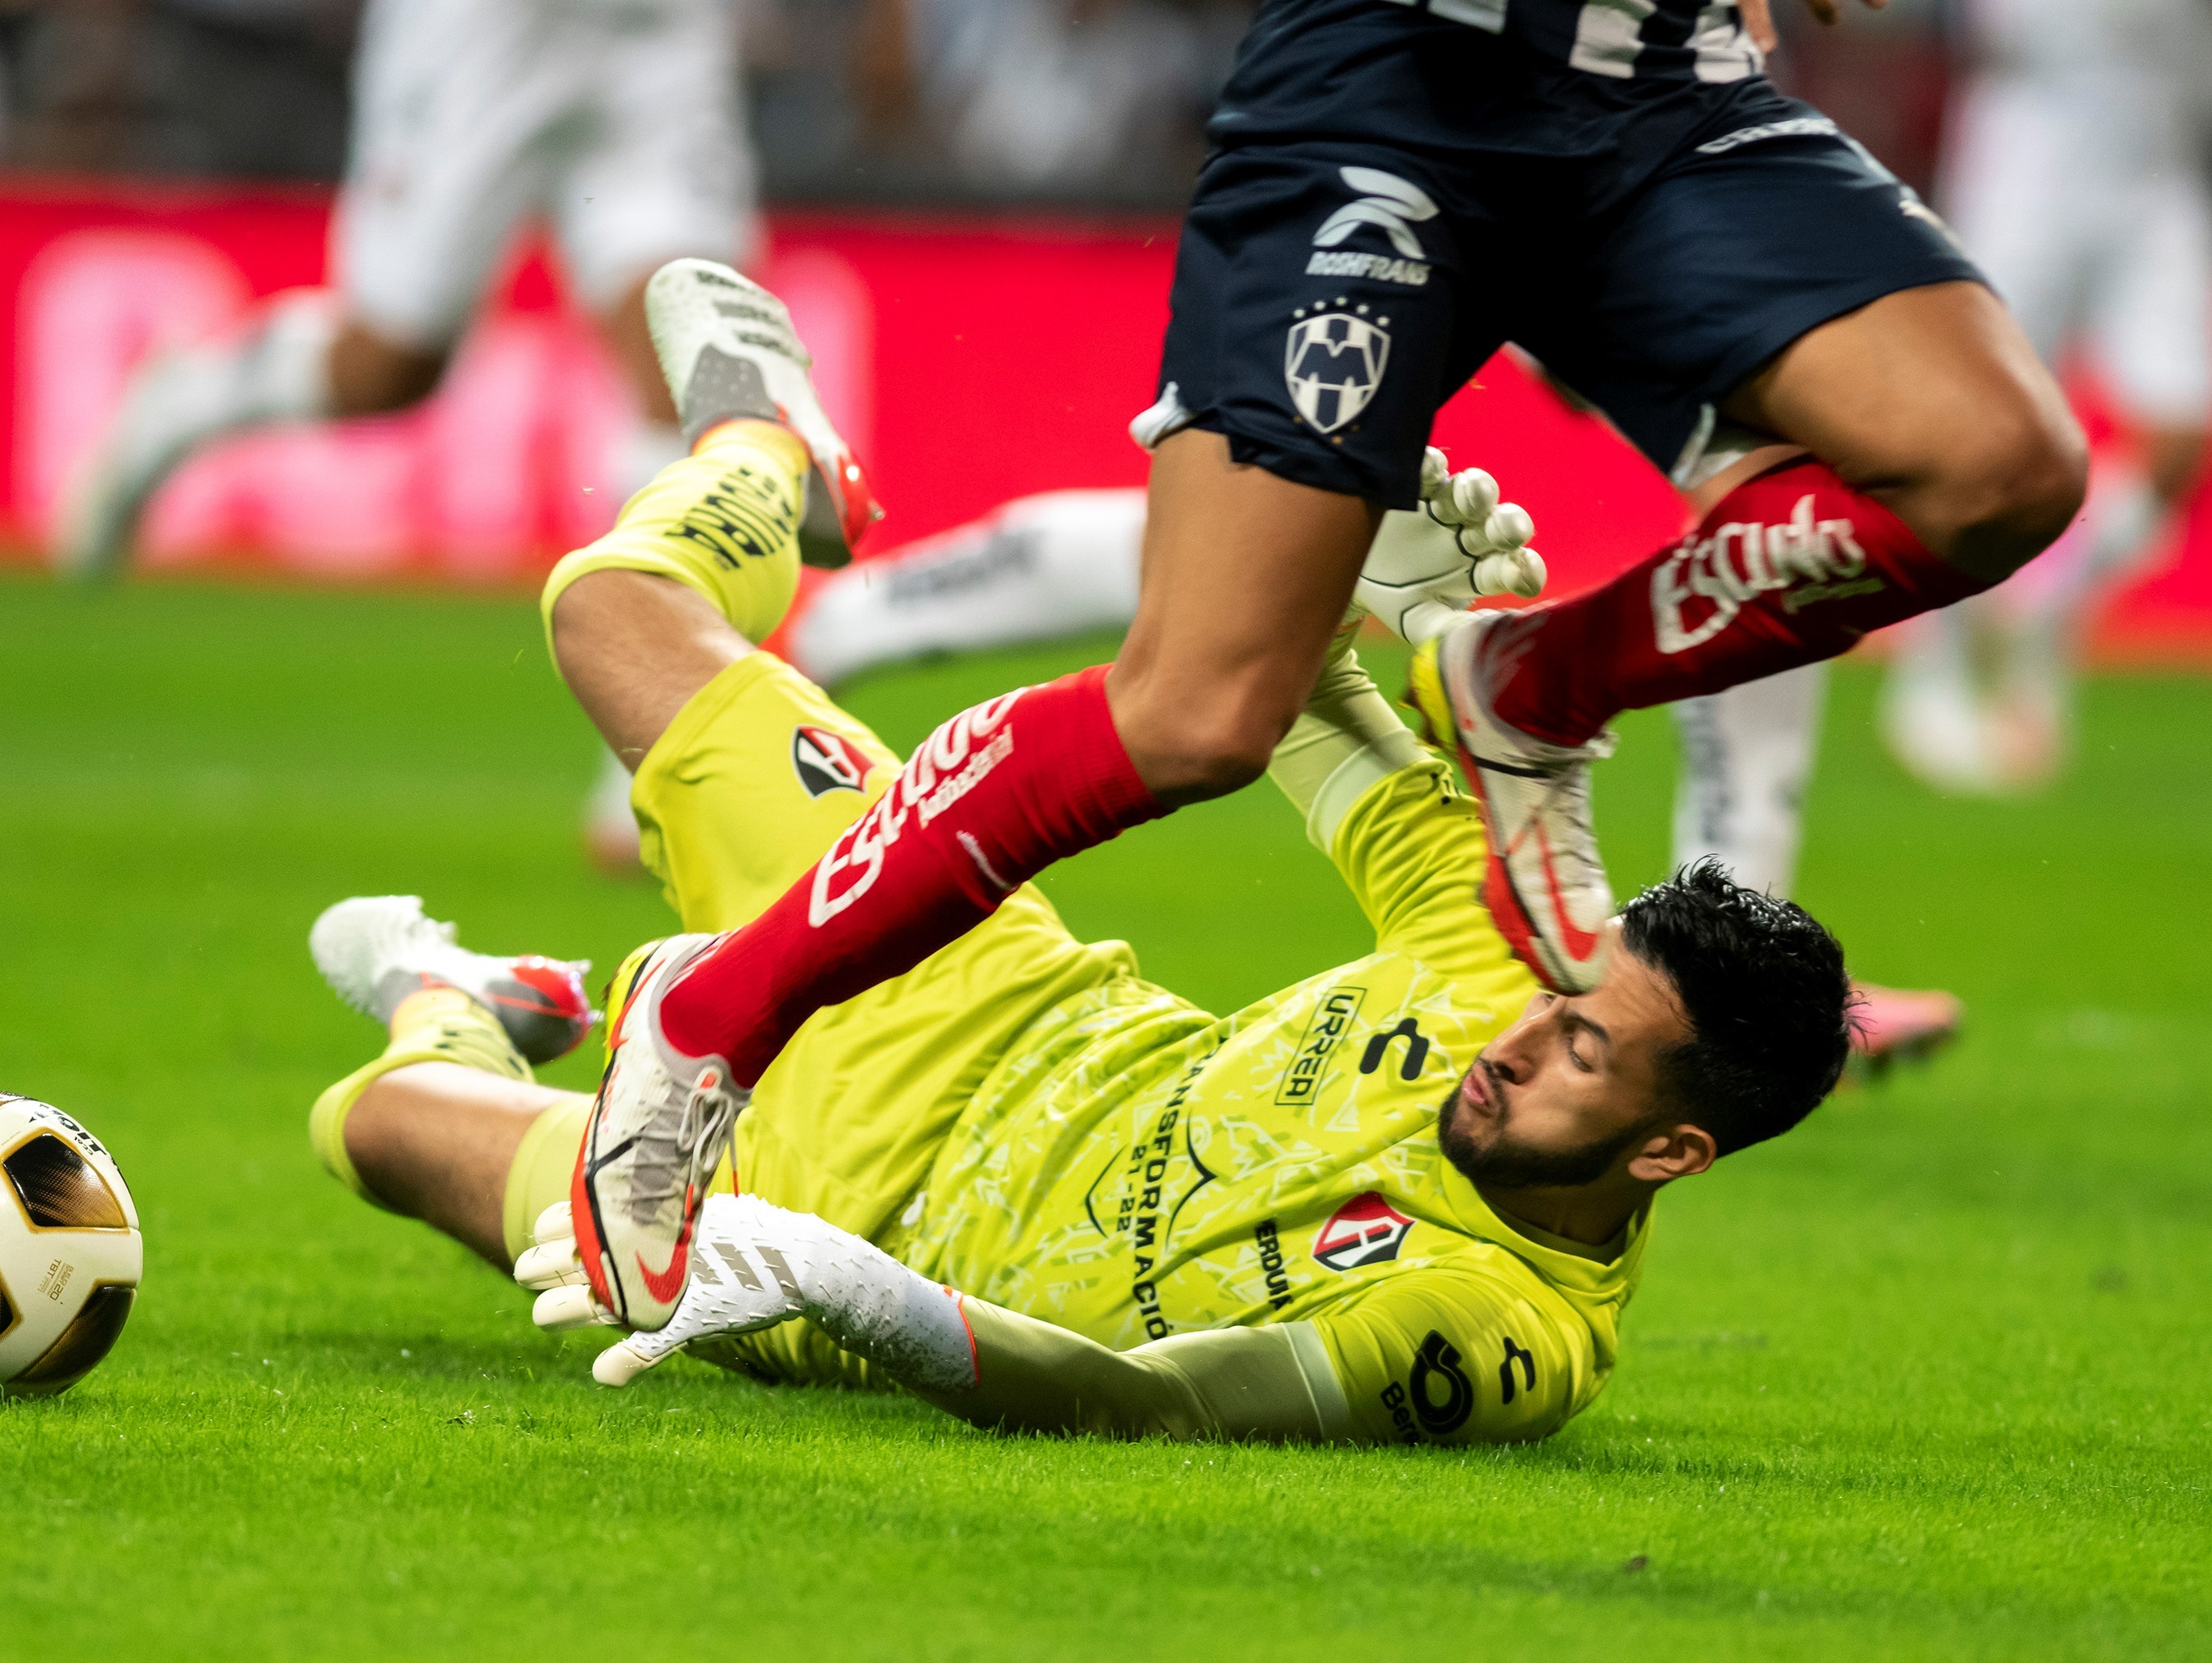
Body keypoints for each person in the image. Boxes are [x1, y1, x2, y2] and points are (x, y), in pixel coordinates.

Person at [565, 0, 2086, 1337]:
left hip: (1666, 96)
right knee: (1192, 705)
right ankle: (705, 1004)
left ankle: (1529, 681)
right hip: (1393, 86)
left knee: (1995, 464)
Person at [299, 423, 1852, 1445]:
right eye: (1560, 999)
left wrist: (826, 1278)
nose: (1523, 1035)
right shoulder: (1504, 953)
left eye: (1585, 1048)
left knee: (369, 1124)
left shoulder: (1501, 1334)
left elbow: (1146, 1402)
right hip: (965, 992)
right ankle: (767, 440)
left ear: (1671, 1149)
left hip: (857, 1236)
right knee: (611, 606)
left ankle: (458, 999)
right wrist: (1350, 580)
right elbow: (1282, 708)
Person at [581, 466, 1956, 1071]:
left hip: (1570, 108)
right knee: (1235, 601)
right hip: (1440, 122)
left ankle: (1727, 941)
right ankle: (834, 561)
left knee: (1786, 499)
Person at [50, 0, 768, 581]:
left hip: (658, 35)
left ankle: (654, 730)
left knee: (691, 353)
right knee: (389, 364)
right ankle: (186, 399)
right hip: (482, 34)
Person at [1879, 0, 2212, 792]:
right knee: (1991, 423)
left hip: (2157, 144)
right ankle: (1934, 679)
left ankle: (2050, 613)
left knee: (2180, 436)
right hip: (2034, 134)